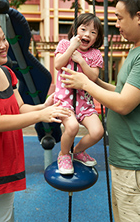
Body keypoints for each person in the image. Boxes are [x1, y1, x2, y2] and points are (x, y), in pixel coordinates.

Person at [61, 0, 140, 222]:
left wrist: (85, 83)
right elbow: (125, 93)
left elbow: (123, 104)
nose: (117, 25)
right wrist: (96, 82)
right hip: (131, 162)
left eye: (120, 18)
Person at [0, 19, 71, 222]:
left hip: (5, 164)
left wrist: (45, 107)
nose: (4, 45)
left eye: (4, 39)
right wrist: (40, 116)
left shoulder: (8, 74)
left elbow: (19, 108)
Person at [51, 13, 105, 175]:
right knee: (72, 126)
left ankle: (78, 151)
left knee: (98, 132)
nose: (87, 34)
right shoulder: (65, 44)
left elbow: (93, 77)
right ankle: (64, 154)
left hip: (85, 103)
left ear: (97, 38)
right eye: (83, 29)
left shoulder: (95, 54)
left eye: (93, 32)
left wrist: (81, 60)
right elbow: (58, 64)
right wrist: (71, 49)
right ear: (75, 31)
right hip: (65, 101)